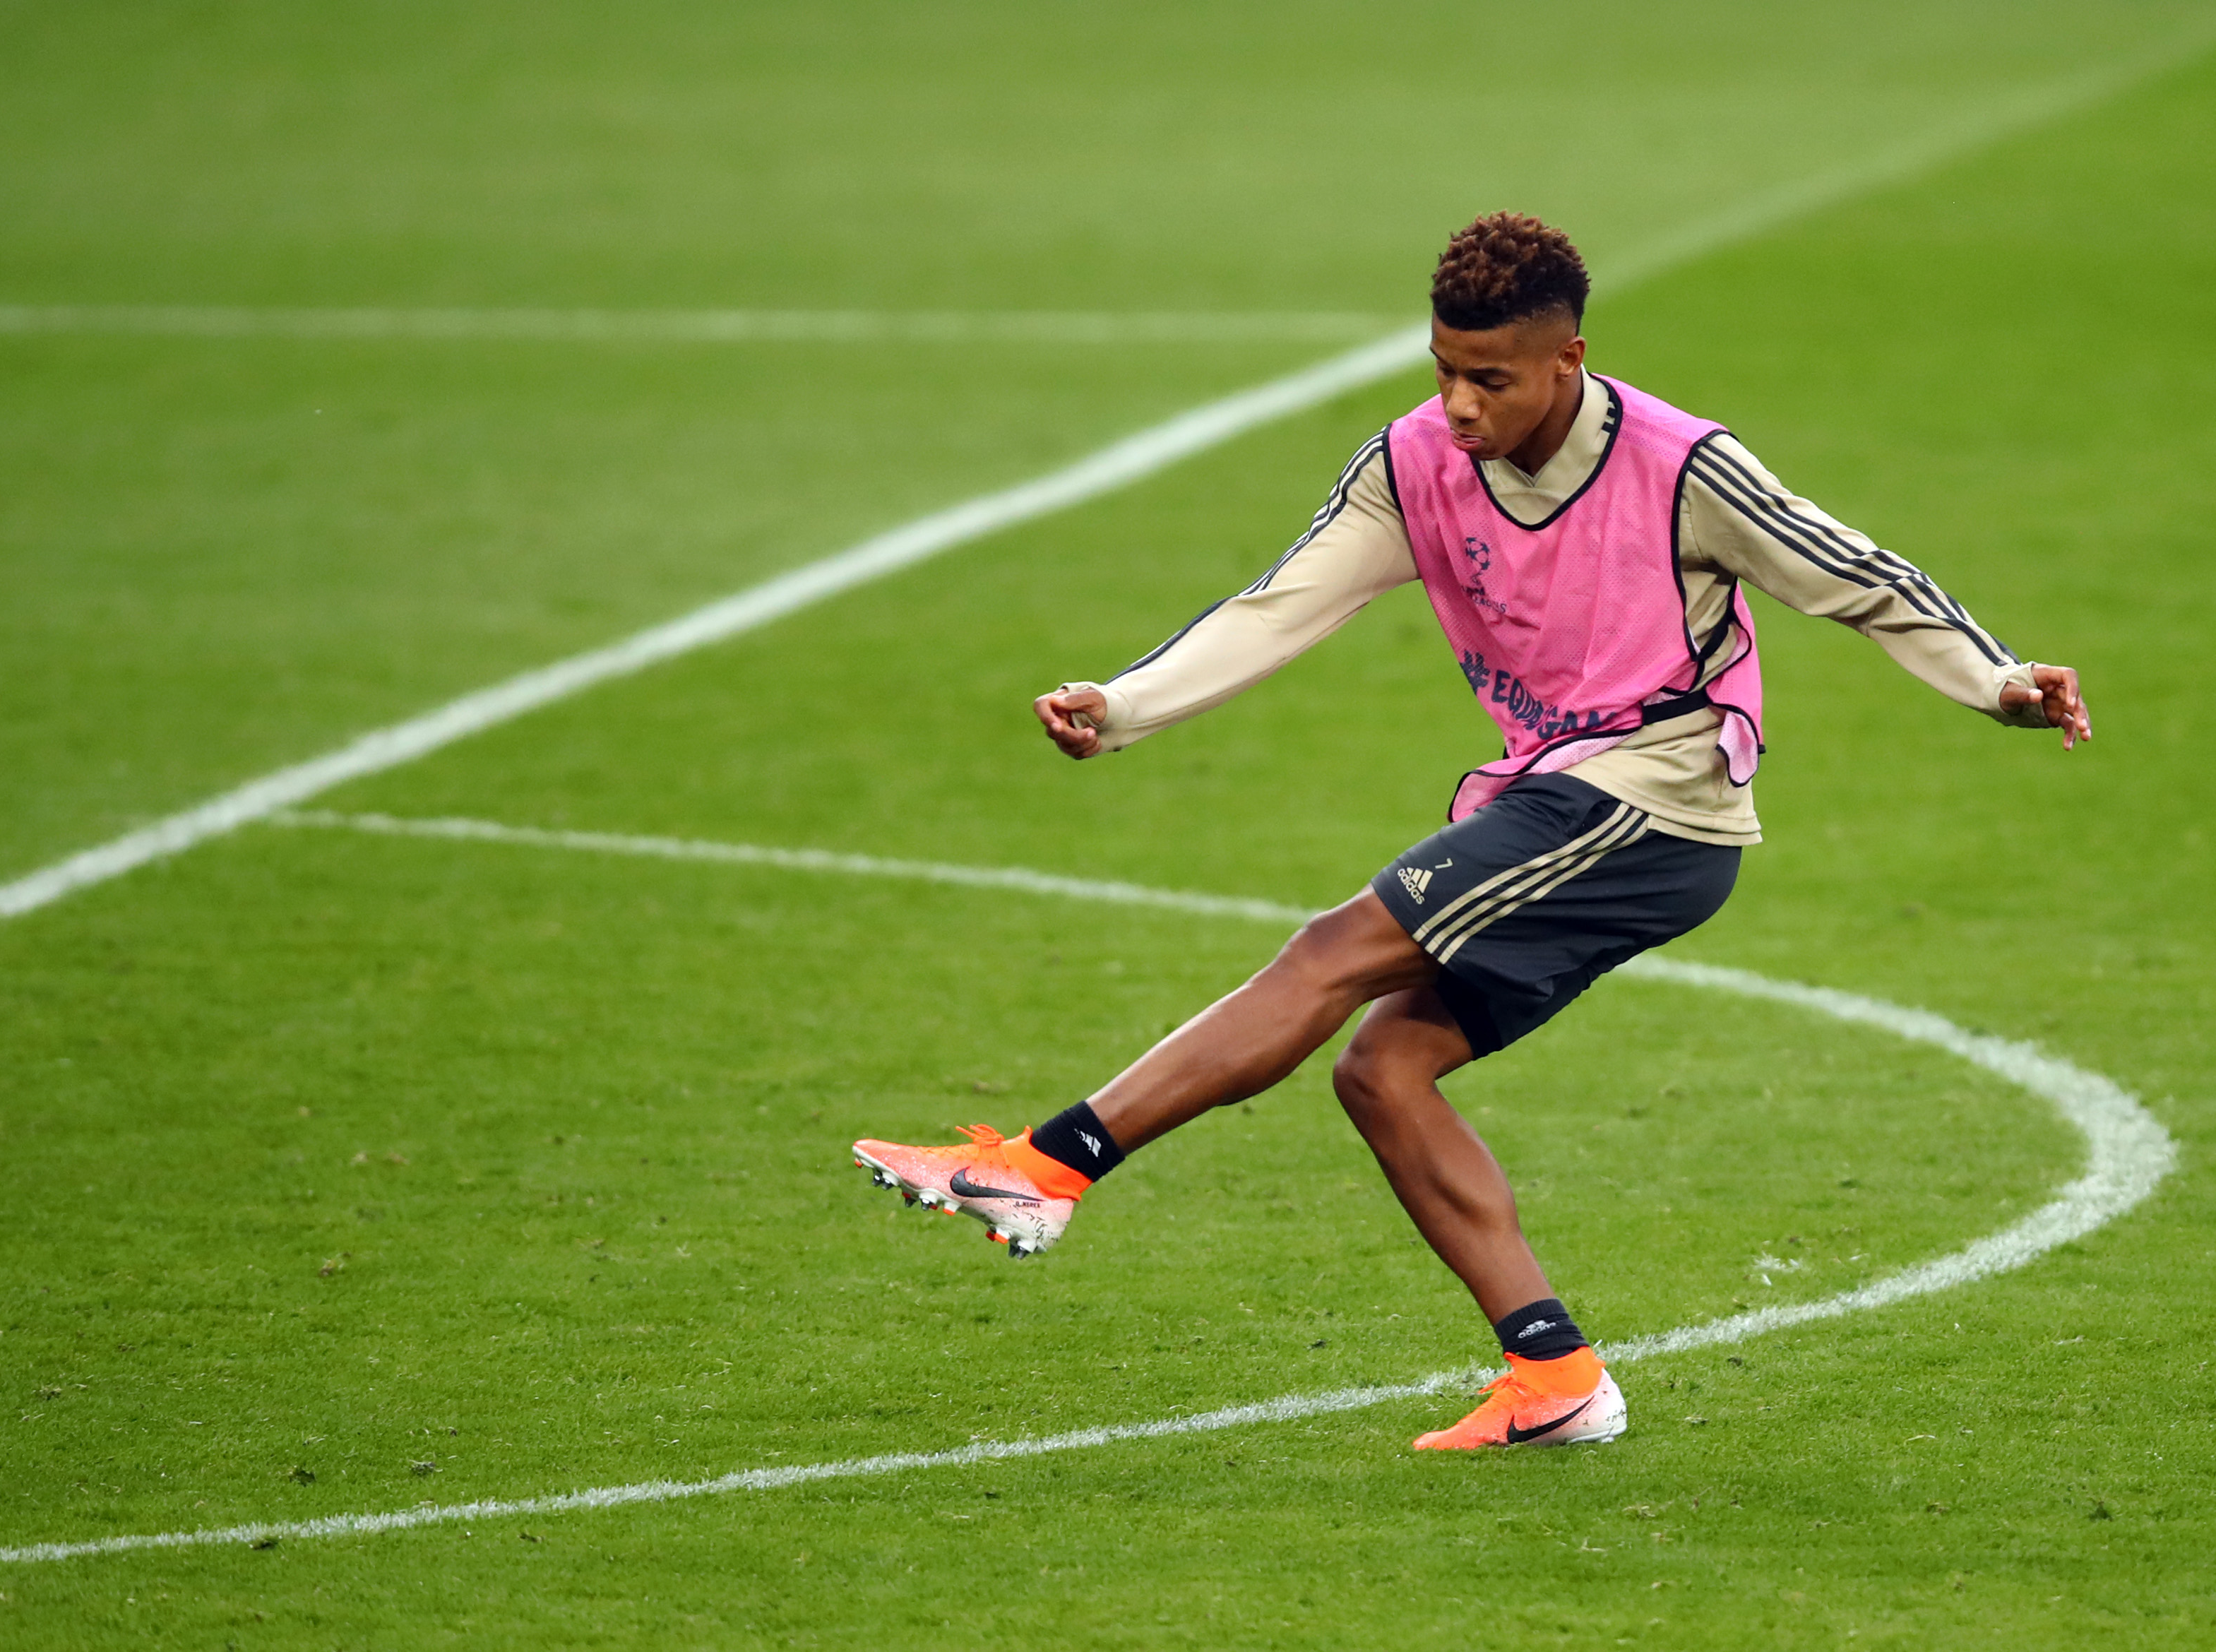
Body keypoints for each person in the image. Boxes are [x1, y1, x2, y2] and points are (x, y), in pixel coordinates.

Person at [849, 213, 2090, 1451]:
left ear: (1570, 360)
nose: (1456, 403)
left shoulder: (1681, 467)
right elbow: (1282, 606)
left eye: (1487, 378)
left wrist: (1997, 684)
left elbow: (1861, 575)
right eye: (1442, 368)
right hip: (1550, 794)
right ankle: (1555, 1375)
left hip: (1656, 799)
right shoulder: (1414, 463)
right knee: (1381, 1072)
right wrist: (1123, 707)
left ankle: (1049, 1167)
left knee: (1331, 952)